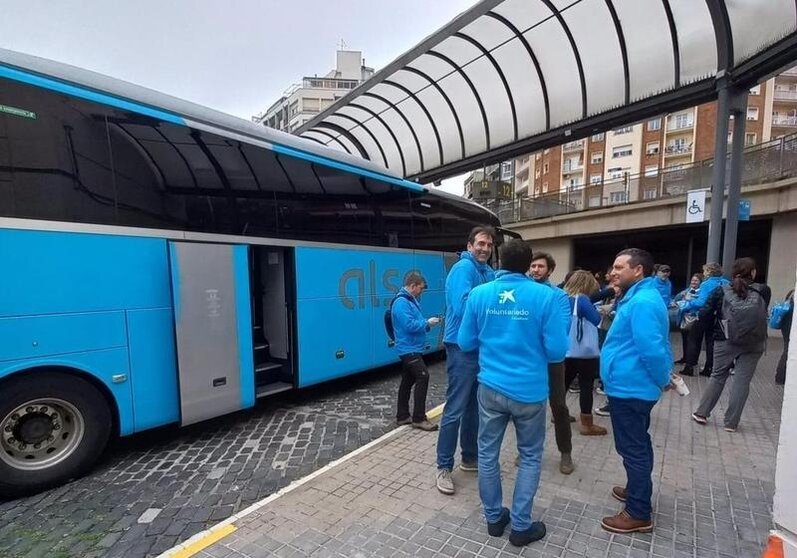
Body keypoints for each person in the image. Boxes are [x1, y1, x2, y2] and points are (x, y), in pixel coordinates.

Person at [458, 239, 568, 547]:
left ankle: (494, 519)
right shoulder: (545, 297)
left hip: (490, 388)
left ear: (499, 261)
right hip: (530, 392)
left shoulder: (479, 295)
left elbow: (465, 343)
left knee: (487, 454)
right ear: (527, 264)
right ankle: (521, 526)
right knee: (531, 456)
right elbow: (558, 351)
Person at [600, 248, 672, 534]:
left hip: (632, 388)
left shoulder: (642, 301)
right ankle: (635, 490)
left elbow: (651, 348)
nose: (613, 272)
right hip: (631, 385)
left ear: (638, 269)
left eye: (619, 267)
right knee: (638, 443)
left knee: (632, 449)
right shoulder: (640, 296)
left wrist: (661, 378)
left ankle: (638, 512)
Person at [436, 225, 496, 495]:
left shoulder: (488, 272)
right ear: (470, 245)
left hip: (480, 346)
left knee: (474, 406)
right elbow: (461, 306)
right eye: (480, 243)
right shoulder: (463, 269)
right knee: (456, 408)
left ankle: (470, 458)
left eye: (489, 245)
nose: (484, 248)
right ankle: (443, 466)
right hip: (461, 347)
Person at [691, 258, 771, 432]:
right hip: (754, 341)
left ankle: (702, 413)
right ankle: (731, 423)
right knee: (742, 381)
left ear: (733, 272)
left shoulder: (721, 290)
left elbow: (704, 314)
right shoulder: (764, 290)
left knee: (718, 376)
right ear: (753, 272)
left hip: (725, 339)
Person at [528, 252, 575, 474]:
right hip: (530, 360)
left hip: (552, 360)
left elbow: (563, 327)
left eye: (540, 266)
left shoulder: (559, 296)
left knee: (558, 406)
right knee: (529, 406)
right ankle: (528, 450)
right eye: (533, 266)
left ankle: (566, 452)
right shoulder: (525, 292)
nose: (536, 270)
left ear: (550, 270)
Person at [392, 273, 442, 431]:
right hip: (408, 348)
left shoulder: (409, 301)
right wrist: (427, 322)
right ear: (412, 286)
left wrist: (427, 324)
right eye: (420, 288)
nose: (421, 292)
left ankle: (402, 416)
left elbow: (413, 322)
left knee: (407, 381)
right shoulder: (402, 302)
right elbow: (409, 325)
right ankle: (419, 418)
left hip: (412, 347)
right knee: (423, 376)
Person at [562, 270, 607, 436]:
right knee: (586, 385)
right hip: (585, 353)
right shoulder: (583, 300)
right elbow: (596, 320)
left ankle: (558, 414)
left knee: (563, 384)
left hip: (567, 350)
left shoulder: (563, 299)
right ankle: (587, 424)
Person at [679, 263, 729, 377]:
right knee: (711, 342)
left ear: (710, 271)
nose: (704, 273)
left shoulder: (706, 284)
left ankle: (689, 367)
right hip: (718, 316)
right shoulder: (726, 283)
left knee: (693, 339)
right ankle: (709, 368)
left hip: (704, 315)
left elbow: (701, 302)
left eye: (705, 271)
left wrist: (688, 303)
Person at [673, 274, 702, 364]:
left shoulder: (701, 292)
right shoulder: (688, 290)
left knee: (694, 341)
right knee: (685, 339)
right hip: (685, 319)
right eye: (692, 280)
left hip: (695, 318)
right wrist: (682, 294)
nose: (693, 282)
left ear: (700, 282)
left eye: (696, 280)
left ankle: (693, 360)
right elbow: (677, 298)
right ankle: (685, 357)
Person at [776, 290, 794, 385]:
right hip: (791, 326)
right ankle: (781, 377)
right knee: (787, 351)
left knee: (786, 349)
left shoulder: (791, 293)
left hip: (786, 325)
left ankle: (780, 376)